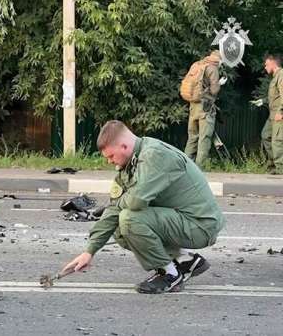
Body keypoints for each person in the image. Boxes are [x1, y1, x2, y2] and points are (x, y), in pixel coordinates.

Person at [62, 120, 225, 294]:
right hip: (181, 219)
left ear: (124, 146)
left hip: (200, 225)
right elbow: (113, 208)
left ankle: (170, 274)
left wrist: (118, 203)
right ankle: (184, 260)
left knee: (129, 218)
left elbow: (135, 202)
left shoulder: (155, 156)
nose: (110, 162)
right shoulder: (130, 163)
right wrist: (89, 251)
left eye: (111, 156)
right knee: (118, 225)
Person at [182, 50, 227, 168]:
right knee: (204, 138)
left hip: (193, 107)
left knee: (192, 137)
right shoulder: (213, 68)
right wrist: (220, 83)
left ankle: (187, 167)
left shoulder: (197, 65)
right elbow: (214, 90)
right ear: (219, 60)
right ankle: (199, 168)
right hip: (205, 108)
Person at [251, 54, 283, 175]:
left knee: (278, 141)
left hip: (279, 114)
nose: (265, 67)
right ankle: (273, 165)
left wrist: (281, 112)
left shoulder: (281, 75)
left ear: (273, 62)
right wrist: (263, 101)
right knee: (266, 135)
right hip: (272, 115)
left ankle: (280, 171)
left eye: (266, 64)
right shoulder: (275, 77)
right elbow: (276, 96)